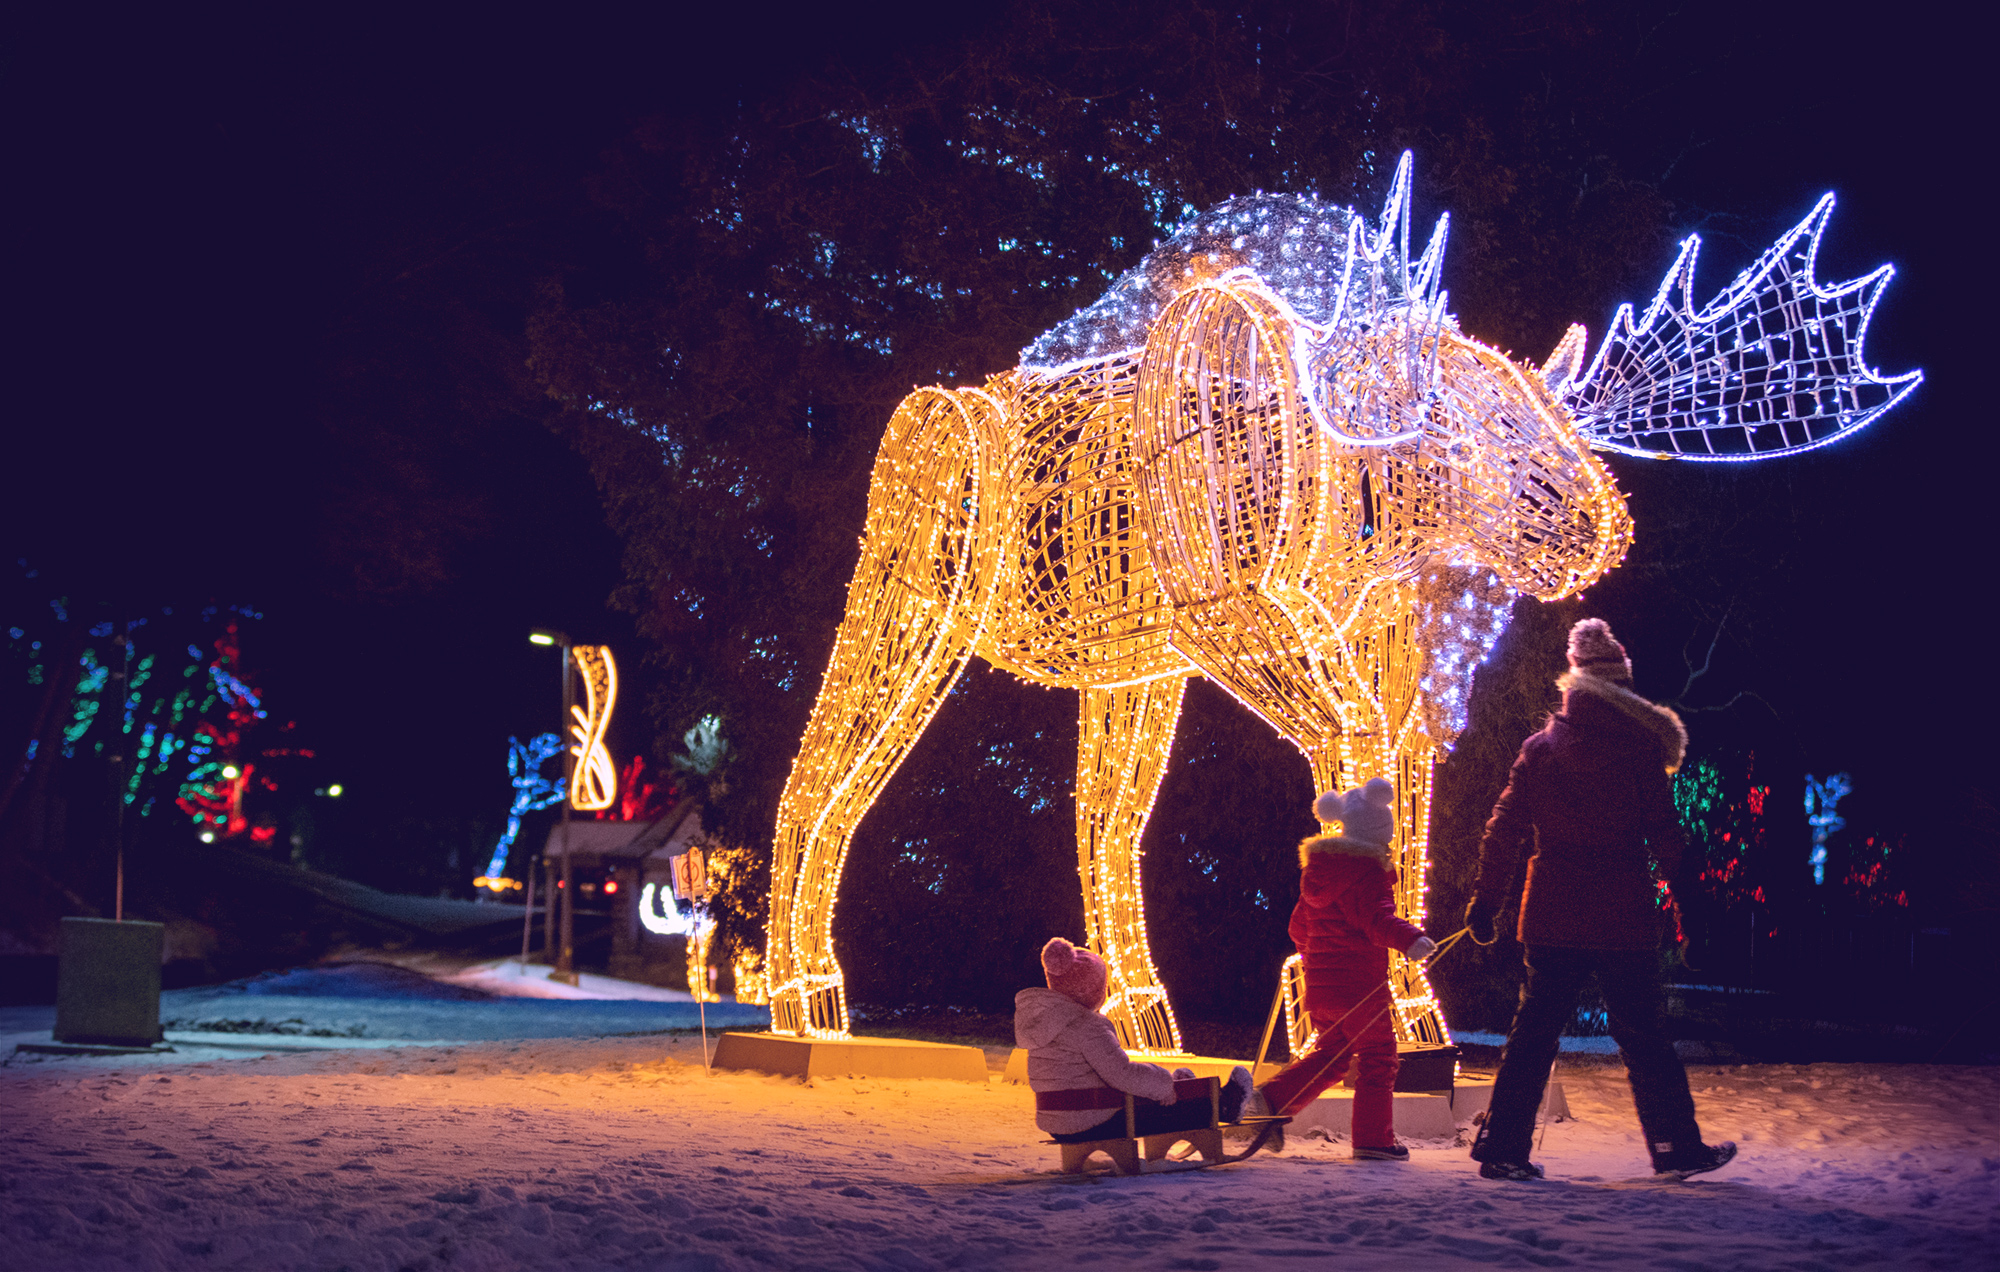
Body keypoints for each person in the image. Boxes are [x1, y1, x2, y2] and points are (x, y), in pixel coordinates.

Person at [1465, 617, 1736, 1182]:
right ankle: (1674, 1146)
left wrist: (1486, 902)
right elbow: (1667, 837)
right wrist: (1693, 915)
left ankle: (1503, 1146)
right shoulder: (1640, 753)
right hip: (1622, 916)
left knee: (1534, 1031)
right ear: (1621, 690)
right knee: (1644, 1037)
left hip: (1552, 913)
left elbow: (1504, 828)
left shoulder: (1539, 752)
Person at [1246, 778, 1437, 1160]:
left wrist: (1318, 959)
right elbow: (1376, 920)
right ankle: (1373, 1140)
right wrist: (1412, 941)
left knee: (1333, 1054)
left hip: (1322, 986)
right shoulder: (1367, 873)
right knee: (1379, 1057)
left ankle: (1270, 1100)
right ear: (1378, 834)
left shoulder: (1320, 873)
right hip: (1360, 986)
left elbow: (1297, 927)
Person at [1016, 937, 1252, 1143]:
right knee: (1158, 1108)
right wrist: (1164, 1085)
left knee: (1147, 1095)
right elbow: (1122, 1073)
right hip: (1092, 1120)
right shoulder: (1086, 1026)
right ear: (1090, 990)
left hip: (1058, 1123)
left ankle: (1190, 1091)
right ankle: (1221, 1106)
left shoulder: (1046, 1021)